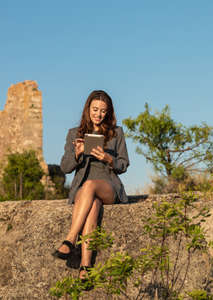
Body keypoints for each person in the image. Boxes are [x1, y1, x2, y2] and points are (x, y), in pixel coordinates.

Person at [52, 90, 129, 281]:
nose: (98, 114)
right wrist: (77, 154)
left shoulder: (116, 133)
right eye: (95, 109)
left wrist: (108, 158)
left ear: (108, 112)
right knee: (93, 204)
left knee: (90, 186)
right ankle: (85, 268)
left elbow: (123, 164)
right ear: (88, 109)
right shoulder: (74, 133)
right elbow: (65, 167)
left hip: (108, 185)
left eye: (103, 111)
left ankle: (70, 239)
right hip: (83, 189)